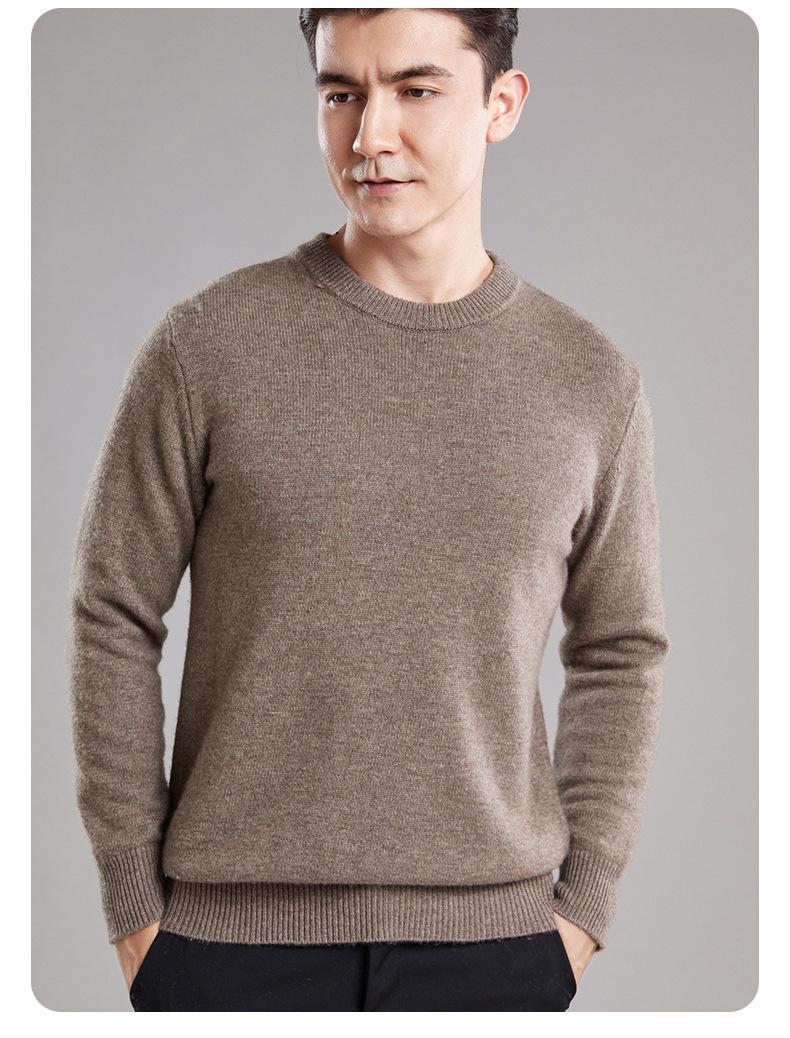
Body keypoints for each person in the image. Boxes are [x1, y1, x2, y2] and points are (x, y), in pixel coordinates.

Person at [66, 7, 671, 1012]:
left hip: (500, 948)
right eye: (341, 92)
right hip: (227, 948)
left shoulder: (589, 381)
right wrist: (134, 902)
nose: (370, 135)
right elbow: (111, 611)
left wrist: (584, 906)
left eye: (416, 89)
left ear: (502, 104)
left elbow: (621, 648)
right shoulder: (207, 347)